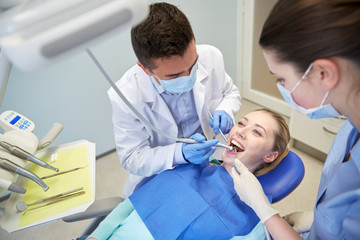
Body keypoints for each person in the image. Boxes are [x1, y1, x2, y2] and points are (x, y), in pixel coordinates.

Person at [231, 0, 360, 239]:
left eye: (281, 79)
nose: (282, 88)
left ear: (324, 73)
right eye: (241, 123)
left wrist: (265, 212)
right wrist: (316, 219)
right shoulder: (351, 129)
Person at [82, 109, 290, 240]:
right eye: (242, 123)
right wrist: (96, 236)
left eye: (257, 132)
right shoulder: (189, 167)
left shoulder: (257, 217)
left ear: (270, 156)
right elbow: (128, 207)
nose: (241, 132)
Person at [108, 2, 241, 199]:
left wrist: (226, 109)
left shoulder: (211, 56)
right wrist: (180, 154)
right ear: (145, 69)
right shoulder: (125, 96)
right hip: (161, 176)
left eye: (193, 65)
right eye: (174, 75)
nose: (188, 76)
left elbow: (230, 92)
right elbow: (132, 158)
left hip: (210, 162)